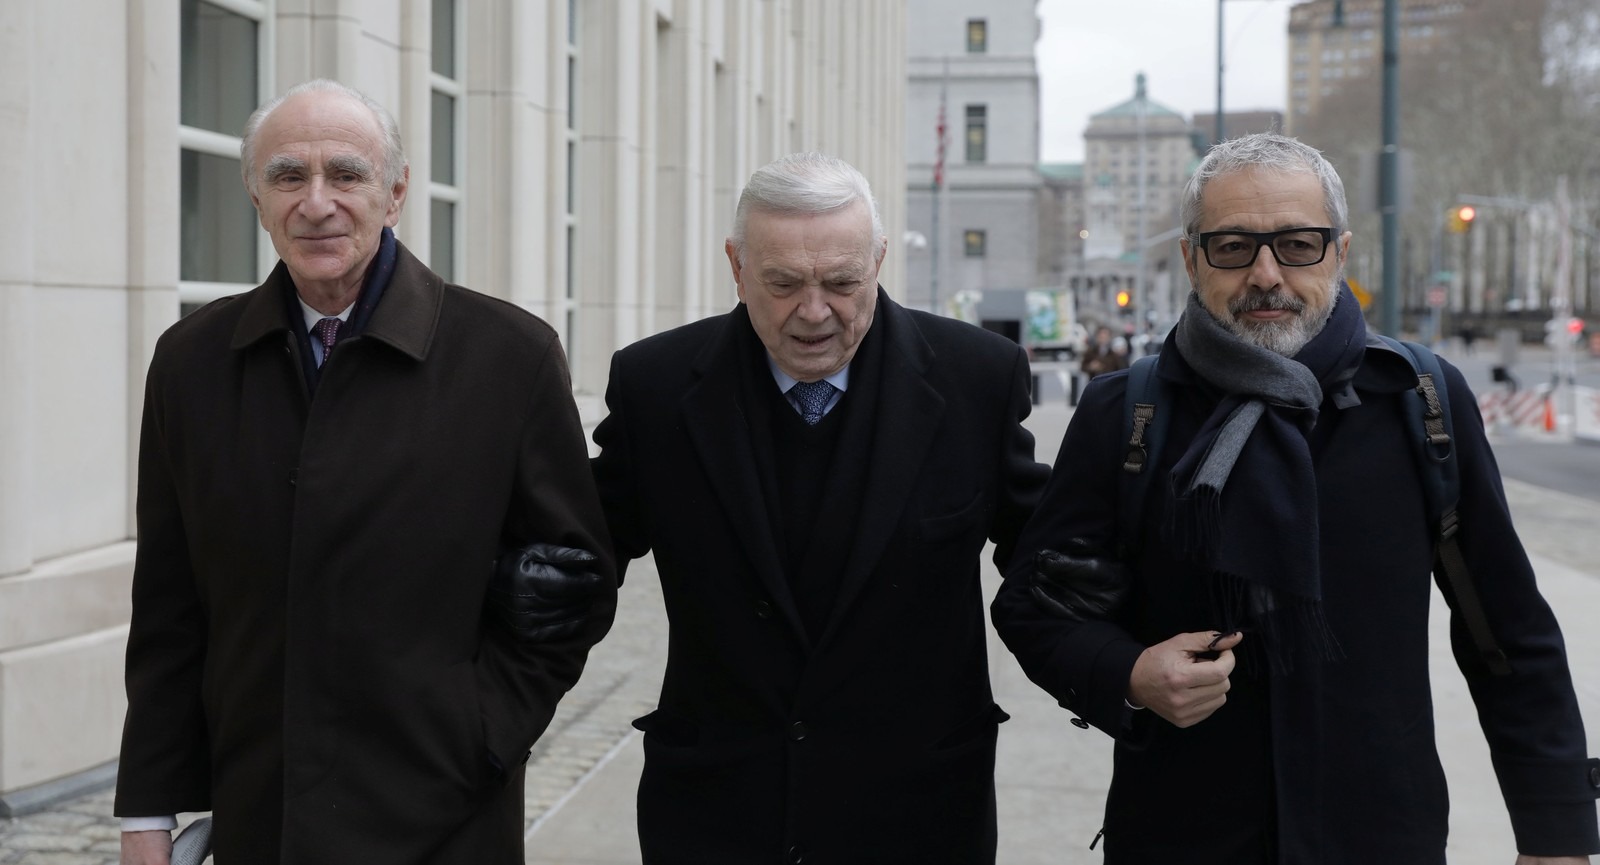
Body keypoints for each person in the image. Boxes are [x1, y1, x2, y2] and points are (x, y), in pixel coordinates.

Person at [991, 133, 1600, 864]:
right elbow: (1034, 607)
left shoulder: (1421, 400)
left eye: (1298, 244)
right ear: (1191, 259)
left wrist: (1556, 830)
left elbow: (1505, 630)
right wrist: (1125, 673)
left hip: (1381, 835)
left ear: (1340, 252)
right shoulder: (1128, 411)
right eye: (1233, 247)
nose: (1266, 273)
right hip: (1179, 834)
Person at [115, 79, 617, 865]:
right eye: (288, 176)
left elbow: (573, 587)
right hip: (260, 817)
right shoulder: (191, 364)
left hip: (446, 820)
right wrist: (146, 809)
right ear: (255, 197)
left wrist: (479, 737)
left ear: (396, 193)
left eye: (345, 174)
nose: (317, 203)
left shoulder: (510, 357)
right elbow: (169, 606)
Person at [590, 152, 1048, 863]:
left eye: (841, 282)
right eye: (782, 283)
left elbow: (1047, 560)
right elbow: (583, 553)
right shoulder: (654, 387)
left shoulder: (977, 380)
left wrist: (1127, 662)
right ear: (737, 267)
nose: (813, 312)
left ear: (879, 262)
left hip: (918, 818)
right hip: (717, 816)